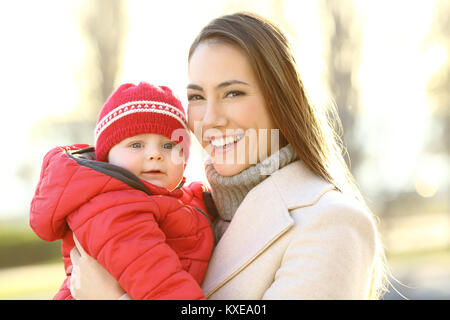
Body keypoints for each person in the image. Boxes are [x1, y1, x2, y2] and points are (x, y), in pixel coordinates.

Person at [69, 12, 388, 300]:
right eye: (196, 96)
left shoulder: (332, 223)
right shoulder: (190, 214)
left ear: (280, 101)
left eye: (233, 93)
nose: (209, 119)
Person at [29, 82, 215, 300]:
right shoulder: (114, 210)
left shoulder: (169, 200)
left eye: (168, 145)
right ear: (106, 158)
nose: (155, 154)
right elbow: (160, 284)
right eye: (136, 145)